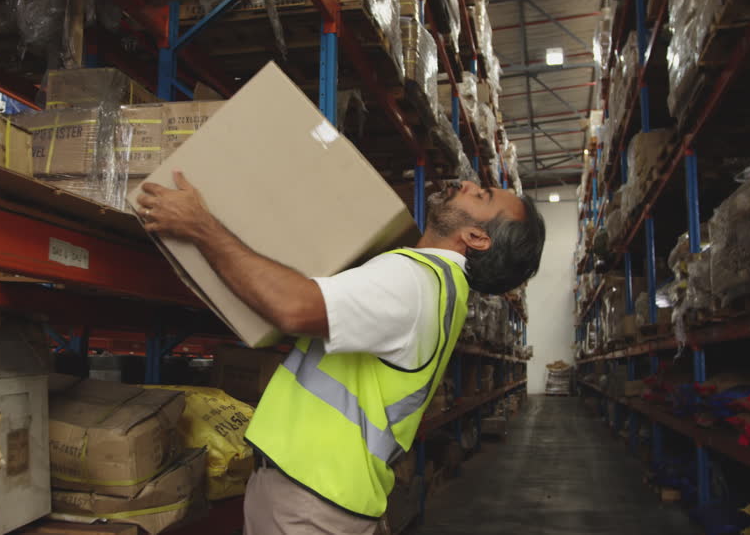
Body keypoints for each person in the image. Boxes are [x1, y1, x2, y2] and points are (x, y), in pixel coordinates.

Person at [136, 171, 545, 534]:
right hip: (327, 495)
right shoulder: (439, 287)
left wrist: (202, 227)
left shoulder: (414, 281)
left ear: (476, 238)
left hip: (312, 499)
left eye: (481, 196)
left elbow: (292, 307)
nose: (467, 184)